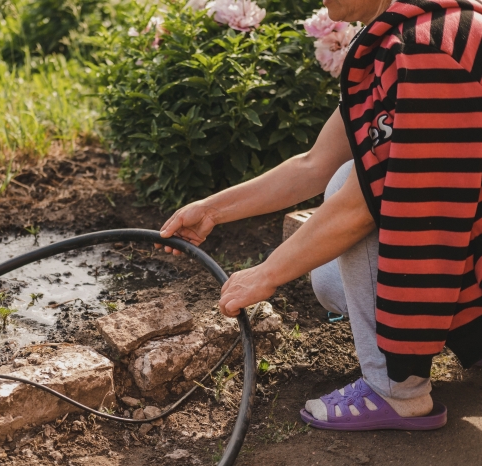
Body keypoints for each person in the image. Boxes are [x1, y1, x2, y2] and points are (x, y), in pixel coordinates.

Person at [156, 0, 482, 431]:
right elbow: (314, 162)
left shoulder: (427, 47)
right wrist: (213, 209)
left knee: (355, 180)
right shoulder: (396, 39)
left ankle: (398, 391)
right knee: (329, 279)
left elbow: (366, 203)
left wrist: (266, 274)